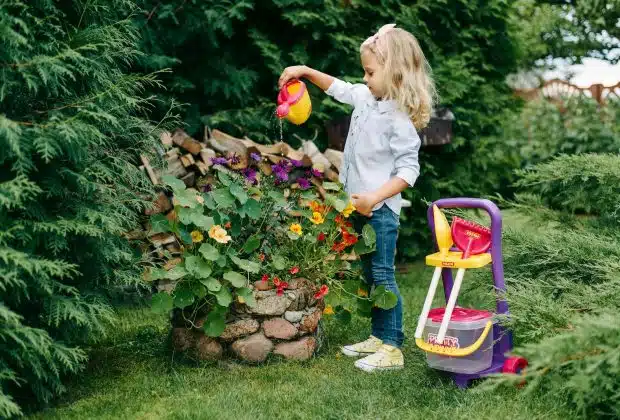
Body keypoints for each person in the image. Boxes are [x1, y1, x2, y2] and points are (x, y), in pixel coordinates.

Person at [278, 24, 435, 371]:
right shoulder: (366, 98)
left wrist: (375, 198)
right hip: (360, 206)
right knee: (369, 275)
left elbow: (409, 171)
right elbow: (337, 87)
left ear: (394, 73)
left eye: (370, 72)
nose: (364, 79)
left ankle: (393, 347)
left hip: (380, 211)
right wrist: (303, 71)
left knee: (382, 275)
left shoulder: (399, 119)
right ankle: (379, 337)